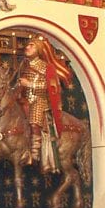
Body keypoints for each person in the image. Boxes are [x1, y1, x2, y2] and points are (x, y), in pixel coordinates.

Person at [18, 33, 72, 171]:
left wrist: (30, 85)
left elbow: (52, 87)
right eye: (28, 45)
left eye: (32, 45)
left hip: (40, 99)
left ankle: (35, 154)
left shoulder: (46, 67)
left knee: (34, 119)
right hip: (24, 99)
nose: (28, 47)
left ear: (39, 50)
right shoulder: (23, 65)